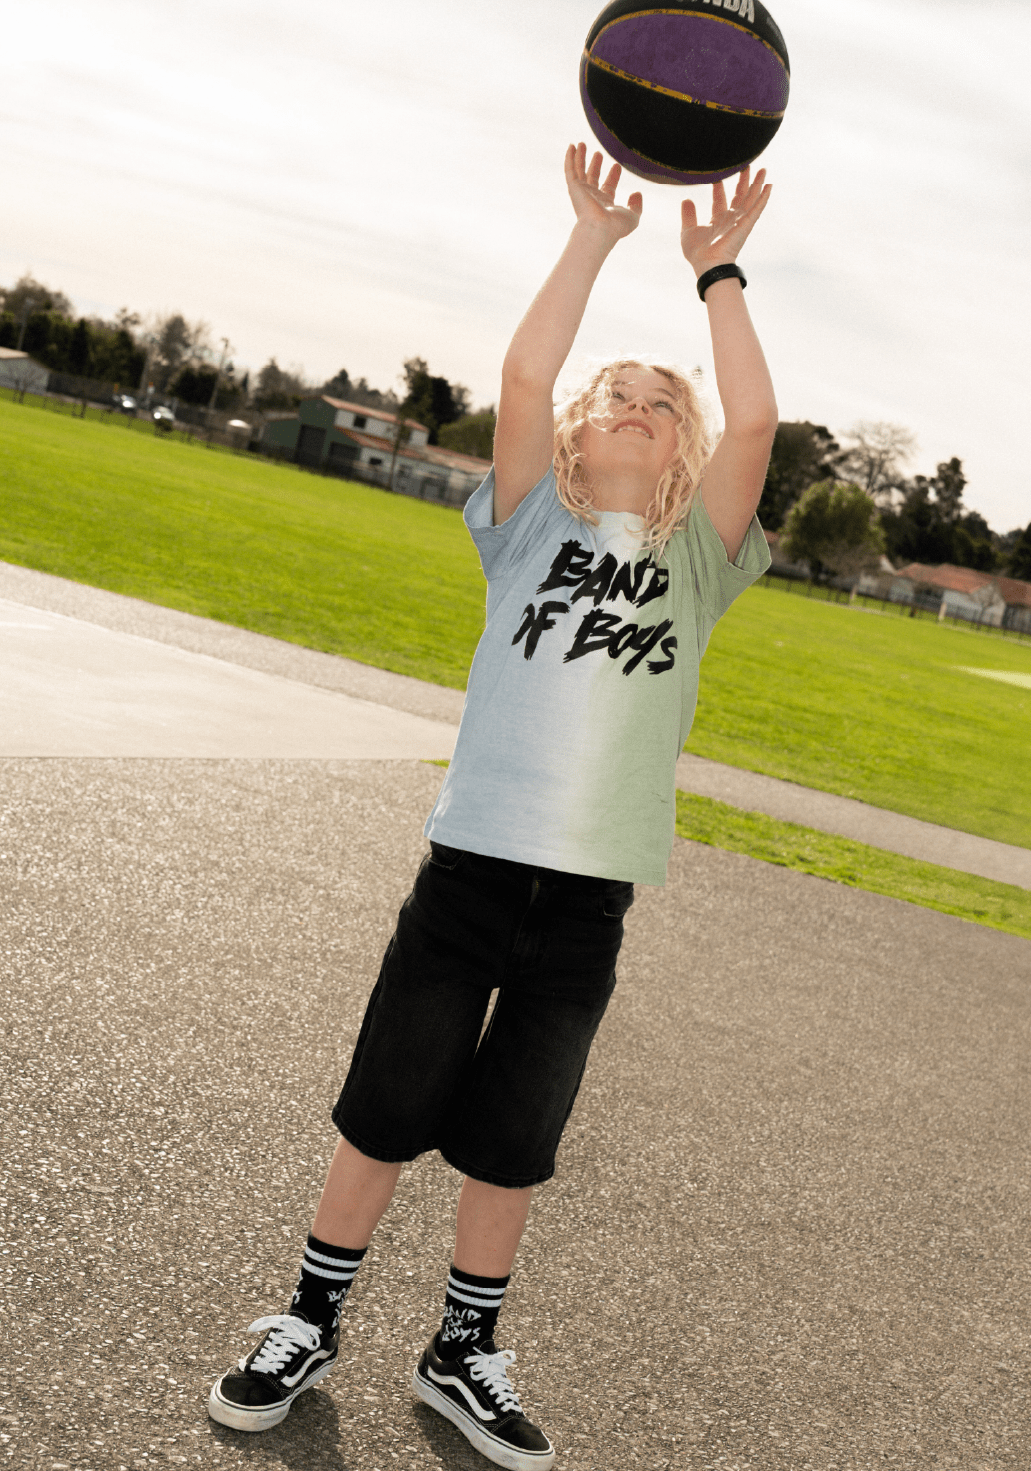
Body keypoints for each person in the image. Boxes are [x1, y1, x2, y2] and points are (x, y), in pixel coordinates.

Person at [206, 142, 776, 1471]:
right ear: (576, 433)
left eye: (658, 400)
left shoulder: (699, 563)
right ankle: (309, 1314)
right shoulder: (527, 523)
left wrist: (719, 274)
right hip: (469, 870)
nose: (635, 405)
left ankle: (465, 1346)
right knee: (385, 1105)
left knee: (515, 1135)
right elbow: (525, 373)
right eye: (615, 395)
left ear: (678, 444)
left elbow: (753, 420)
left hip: (588, 896)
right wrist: (592, 240)